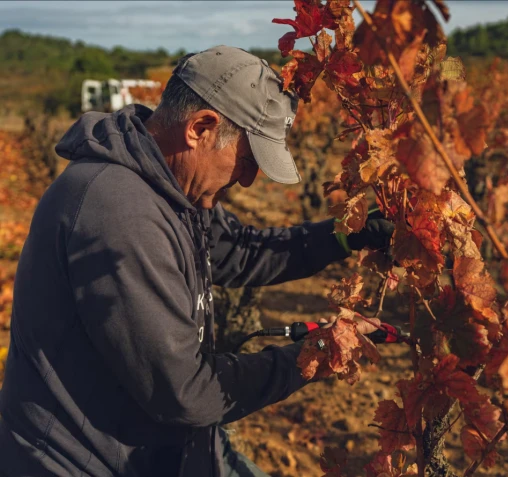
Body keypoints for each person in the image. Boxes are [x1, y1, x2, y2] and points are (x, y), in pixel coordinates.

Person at [0, 46, 393, 477]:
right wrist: (315, 354)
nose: (247, 180)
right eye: (246, 161)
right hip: (82, 464)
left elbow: (242, 251)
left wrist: (347, 234)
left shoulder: (171, 190)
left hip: (162, 452)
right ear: (201, 129)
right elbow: (185, 392)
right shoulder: (117, 211)